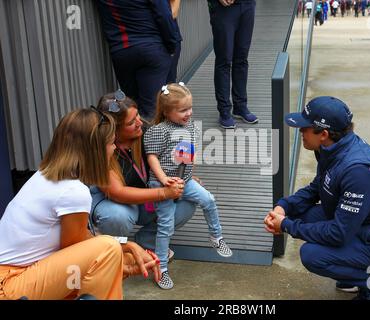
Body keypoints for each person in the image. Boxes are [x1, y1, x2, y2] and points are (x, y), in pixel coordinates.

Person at [264, 96, 370, 300]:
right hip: (364, 224)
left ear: (324, 134)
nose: (300, 132)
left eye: (305, 128)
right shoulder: (332, 149)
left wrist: (287, 226)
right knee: (304, 213)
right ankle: (353, 271)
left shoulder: (358, 171)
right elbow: (317, 188)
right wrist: (284, 207)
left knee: (312, 255)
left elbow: (338, 234)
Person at [0, 108, 161, 300]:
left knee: (111, 251)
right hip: (11, 285)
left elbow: (81, 243)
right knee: (108, 249)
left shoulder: (44, 174)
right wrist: (122, 252)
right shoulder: (73, 192)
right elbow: (77, 252)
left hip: (19, 276)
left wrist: (126, 248)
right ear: (94, 150)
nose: (115, 149)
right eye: (111, 143)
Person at [90, 90, 197, 269]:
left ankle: (147, 240)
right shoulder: (103, 148)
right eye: (131, 122)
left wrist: (185, 177)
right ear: (113, 129)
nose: (140, 122)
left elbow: (176, 160)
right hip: (116, 203)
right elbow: (117, 193)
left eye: (138, 114)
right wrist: (163, 192)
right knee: (116, 217)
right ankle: (117, 248)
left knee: (189, 199)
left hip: (148, 197)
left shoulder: (149, 131)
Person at [144, 82, 233, 289]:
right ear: (167, 112)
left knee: (208, 199)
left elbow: (185, 154)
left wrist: (192, 174)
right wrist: (164, 180)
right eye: (183, 110)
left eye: (190, 107)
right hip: (163, 184)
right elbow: (152, 158)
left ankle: (216, 236)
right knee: (165, 227)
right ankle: (161, 268)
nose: (188, 113)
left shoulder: (189, 125)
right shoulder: (159, 131)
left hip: (185, 180)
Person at [96, 0, 183, 119]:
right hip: (152, 50)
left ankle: (137, 135)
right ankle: (150, 136)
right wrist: (172, 46)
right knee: (152, 111)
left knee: (132, 106)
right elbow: (164, 15)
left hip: (122, 51)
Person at [207, 0, 259, 129]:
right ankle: (224, 110)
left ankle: (240, 106)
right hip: (223, 8)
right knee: (224, 60)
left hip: (247, 5)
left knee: (241, 59)